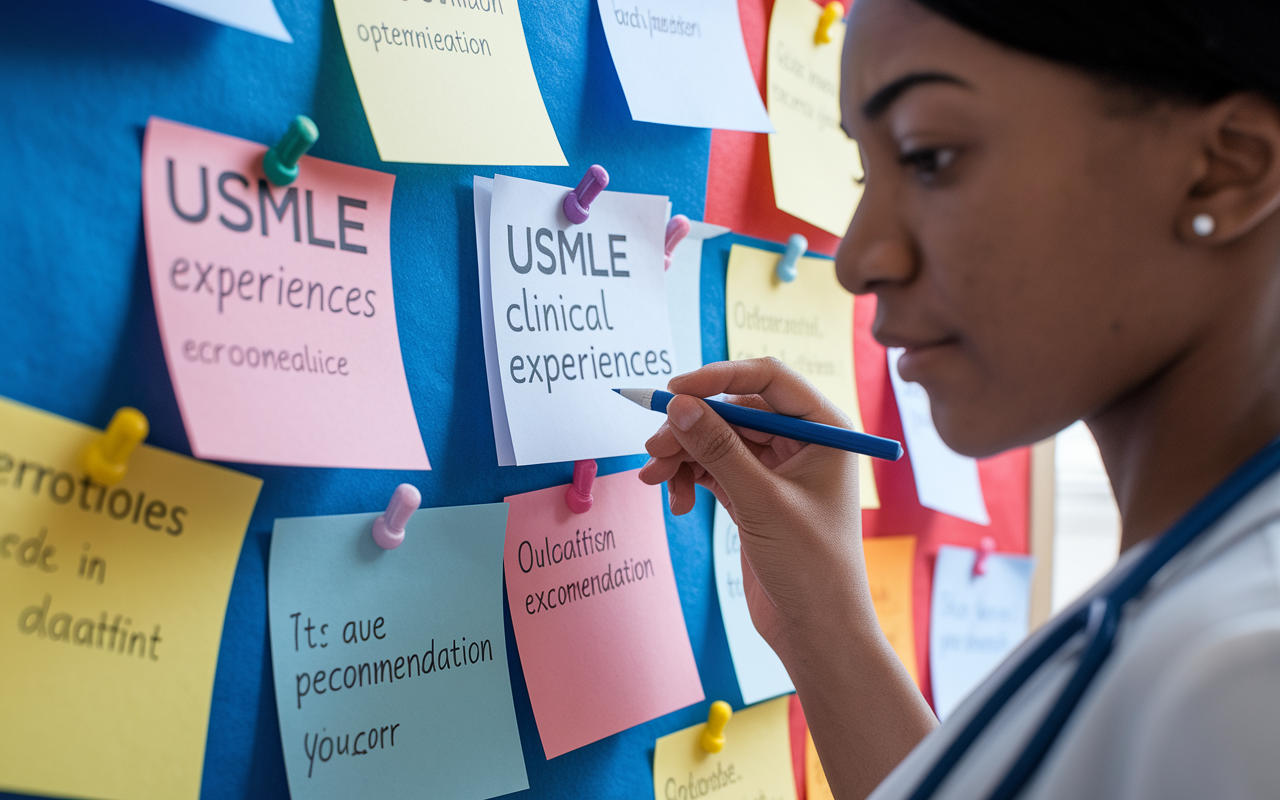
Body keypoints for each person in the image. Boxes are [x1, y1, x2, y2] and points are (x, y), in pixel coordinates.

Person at [639, 1, 1280, 798]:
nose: (859, 260)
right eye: (864, 172)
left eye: (929, 156)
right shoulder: (1196, 595)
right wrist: (824, 624)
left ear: (1227, 166)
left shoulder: (1247, 677)